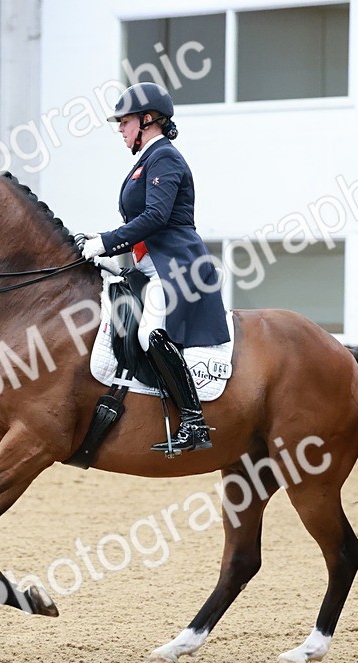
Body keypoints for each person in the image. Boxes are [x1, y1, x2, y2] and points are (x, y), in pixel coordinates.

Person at [80, 82, 230, 455]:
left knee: (150, 333)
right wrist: (106, 245)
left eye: (125, 121)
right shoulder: (147, 160)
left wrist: (107, 241)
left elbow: (156, 217)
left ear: (147, 120)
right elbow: (141, 225)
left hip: (176, 264)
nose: (120, 128)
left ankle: (194, 422)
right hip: (150, 264)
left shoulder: (164, 157)